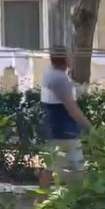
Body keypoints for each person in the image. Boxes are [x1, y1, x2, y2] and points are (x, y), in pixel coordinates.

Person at [38, 45, 92, 193]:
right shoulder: (60, 79)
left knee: (49, 165)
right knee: (77, 166)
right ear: (66, 59)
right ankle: (78, 201)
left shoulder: (51, 74)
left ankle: (40, 200)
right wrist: (91, 128)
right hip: (65, 130)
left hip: (55, 128)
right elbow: (73, 109)